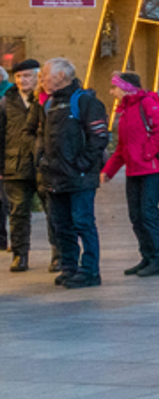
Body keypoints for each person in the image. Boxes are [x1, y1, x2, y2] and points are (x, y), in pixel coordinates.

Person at [37, 58, 106, 289]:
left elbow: (99, 137)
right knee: (61, 225)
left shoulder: (85, 101)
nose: (42, 78)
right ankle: (69, 268)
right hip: (55, 177)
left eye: (45, 74)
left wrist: (82, 164)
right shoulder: (49, 104)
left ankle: (90, 271)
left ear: (60, 76)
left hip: (79, 177)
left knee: (83, 223)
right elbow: (42, 136)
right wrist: (41, 161)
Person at [103, 72, 159, 278]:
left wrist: (146, 154)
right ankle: (147, 257)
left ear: (125, 88)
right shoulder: (125, 112)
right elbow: (122, 147)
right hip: (135, 170)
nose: (111, 91)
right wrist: (108, 171)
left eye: (114, 87)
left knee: (148, 213)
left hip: (152, 169)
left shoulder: (147, 103)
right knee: (136, 215)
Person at [1, 59, 40, 272]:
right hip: (14, 167)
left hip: (43, 166)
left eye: (27, 76)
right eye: (18, 77)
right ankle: (20, 255)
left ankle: (59, 256)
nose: (22, 80)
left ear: (37, 77)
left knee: (54, 213)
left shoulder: (45, 100)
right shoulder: (7, 102)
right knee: (18, 214)